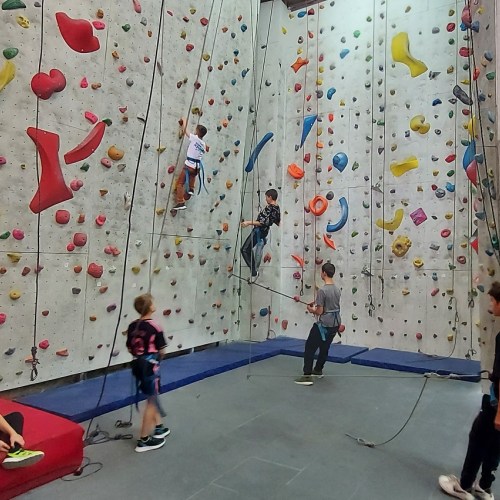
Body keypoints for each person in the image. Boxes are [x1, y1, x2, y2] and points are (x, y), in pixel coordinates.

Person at [438, 281, 500, 500]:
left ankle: (463, 486)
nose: (490, 304)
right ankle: (484, 486)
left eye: (493, 300)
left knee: (478, 437)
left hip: (495, 404)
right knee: (495, 444)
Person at [127, 293, 170, 453]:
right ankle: (143, 440)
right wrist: (156, 359)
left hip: (137, 364)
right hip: (150, 365)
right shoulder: (155, 326)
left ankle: (159, 427)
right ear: (150, 307)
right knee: (151, 400)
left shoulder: (133, 325)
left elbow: (130, 347)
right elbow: (162, 350)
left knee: (152, 395)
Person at [295, 262, 341, 386]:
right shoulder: (337, 289)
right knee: (324, 348)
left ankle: (307, 376)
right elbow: (329, 304)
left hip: (324, 324)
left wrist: (311, 310)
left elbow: (320, 311)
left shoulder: (322, 290)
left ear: (324, 273)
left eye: (321, 272)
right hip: (335, 323)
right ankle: (318, 370)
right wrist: (316, 303)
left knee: (309, 348)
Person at [240, 188, 281, 282]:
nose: (266, 199)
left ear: (270, 197)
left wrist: (248, 222)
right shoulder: (277, 208)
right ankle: (254, 271)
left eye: (266, 197)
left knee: (244, 249)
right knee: (249, 250)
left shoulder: (270, 208)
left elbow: (262, 223)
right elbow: (277, 222)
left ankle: (254, 272)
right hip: (263, 232)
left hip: (258, 231)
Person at [173, 118, 208, 211]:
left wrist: (184, 121)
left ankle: (180, 202)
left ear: (197, 132)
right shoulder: (203, 144)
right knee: (192, 175)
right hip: (197, 168)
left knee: (180, 184)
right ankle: (191, 189)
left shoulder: (195, 138)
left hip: (189, 165)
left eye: (196, 130)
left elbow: (185, 130)